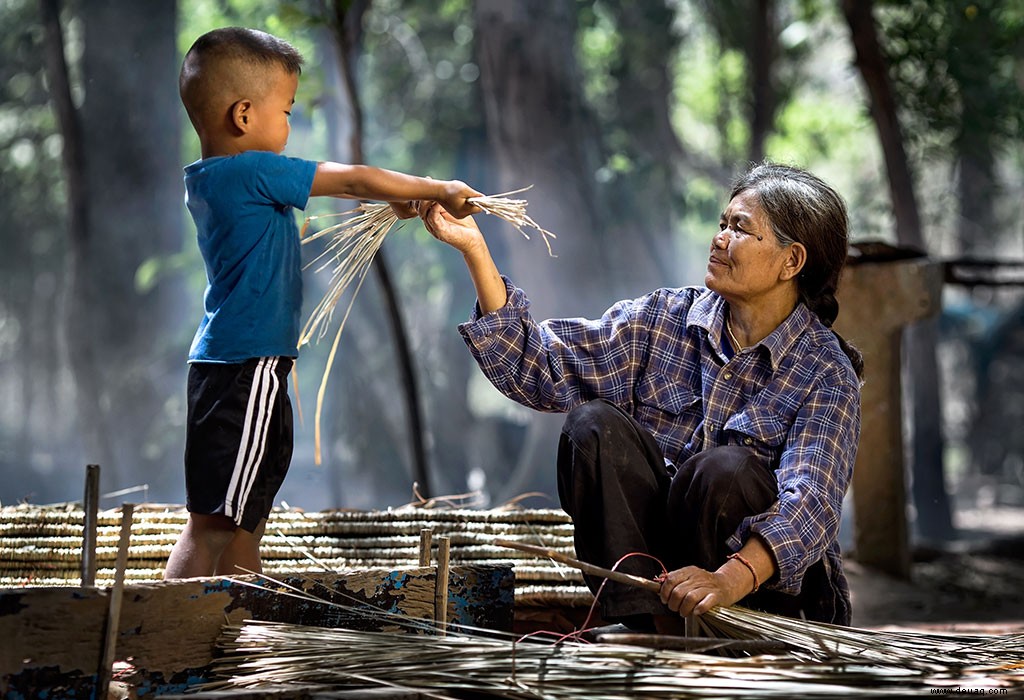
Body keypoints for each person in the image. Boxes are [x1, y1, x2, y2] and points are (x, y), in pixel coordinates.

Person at [418, 162, 863, 627]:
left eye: (740, 229)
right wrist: (474, 248)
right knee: (593, 427)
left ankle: (708, 631)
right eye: (722, 224)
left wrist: (727, 581)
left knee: (724, 471)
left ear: (792, 262)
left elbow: (809, 503)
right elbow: (540, 365)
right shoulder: (664, 318)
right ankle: (648, 628)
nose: (719, 238)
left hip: (762, 605)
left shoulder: (825, 371)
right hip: (659, 589)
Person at [164, 27, 481, 579]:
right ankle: (160, 648)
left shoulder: (216, 178)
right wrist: (433, 188)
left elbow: (350, 192)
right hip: (246, 368)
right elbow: (354, 180)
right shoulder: (252, 170)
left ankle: (233, 641)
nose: (290, 125)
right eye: (285, 110)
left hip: (240, 367)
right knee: (214, 526)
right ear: (243, 116)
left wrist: (400, 201)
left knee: (242, 523)